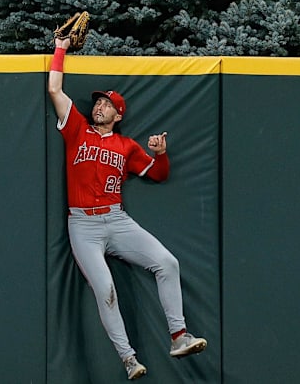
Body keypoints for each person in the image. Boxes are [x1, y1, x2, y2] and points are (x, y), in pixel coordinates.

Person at [48, 36, 207, 380]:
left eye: (107, 104)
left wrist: (161, 153)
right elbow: (54, 91)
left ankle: (180, 336)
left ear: (118, 114)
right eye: (98, 102)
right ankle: (128, 358)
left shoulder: (126, 146)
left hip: (116, 220)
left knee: (168, 262)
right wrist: (60, 47)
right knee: (105, 291)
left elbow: (160, 175)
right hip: (84, 226)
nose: (99, 106)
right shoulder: (78, 130)